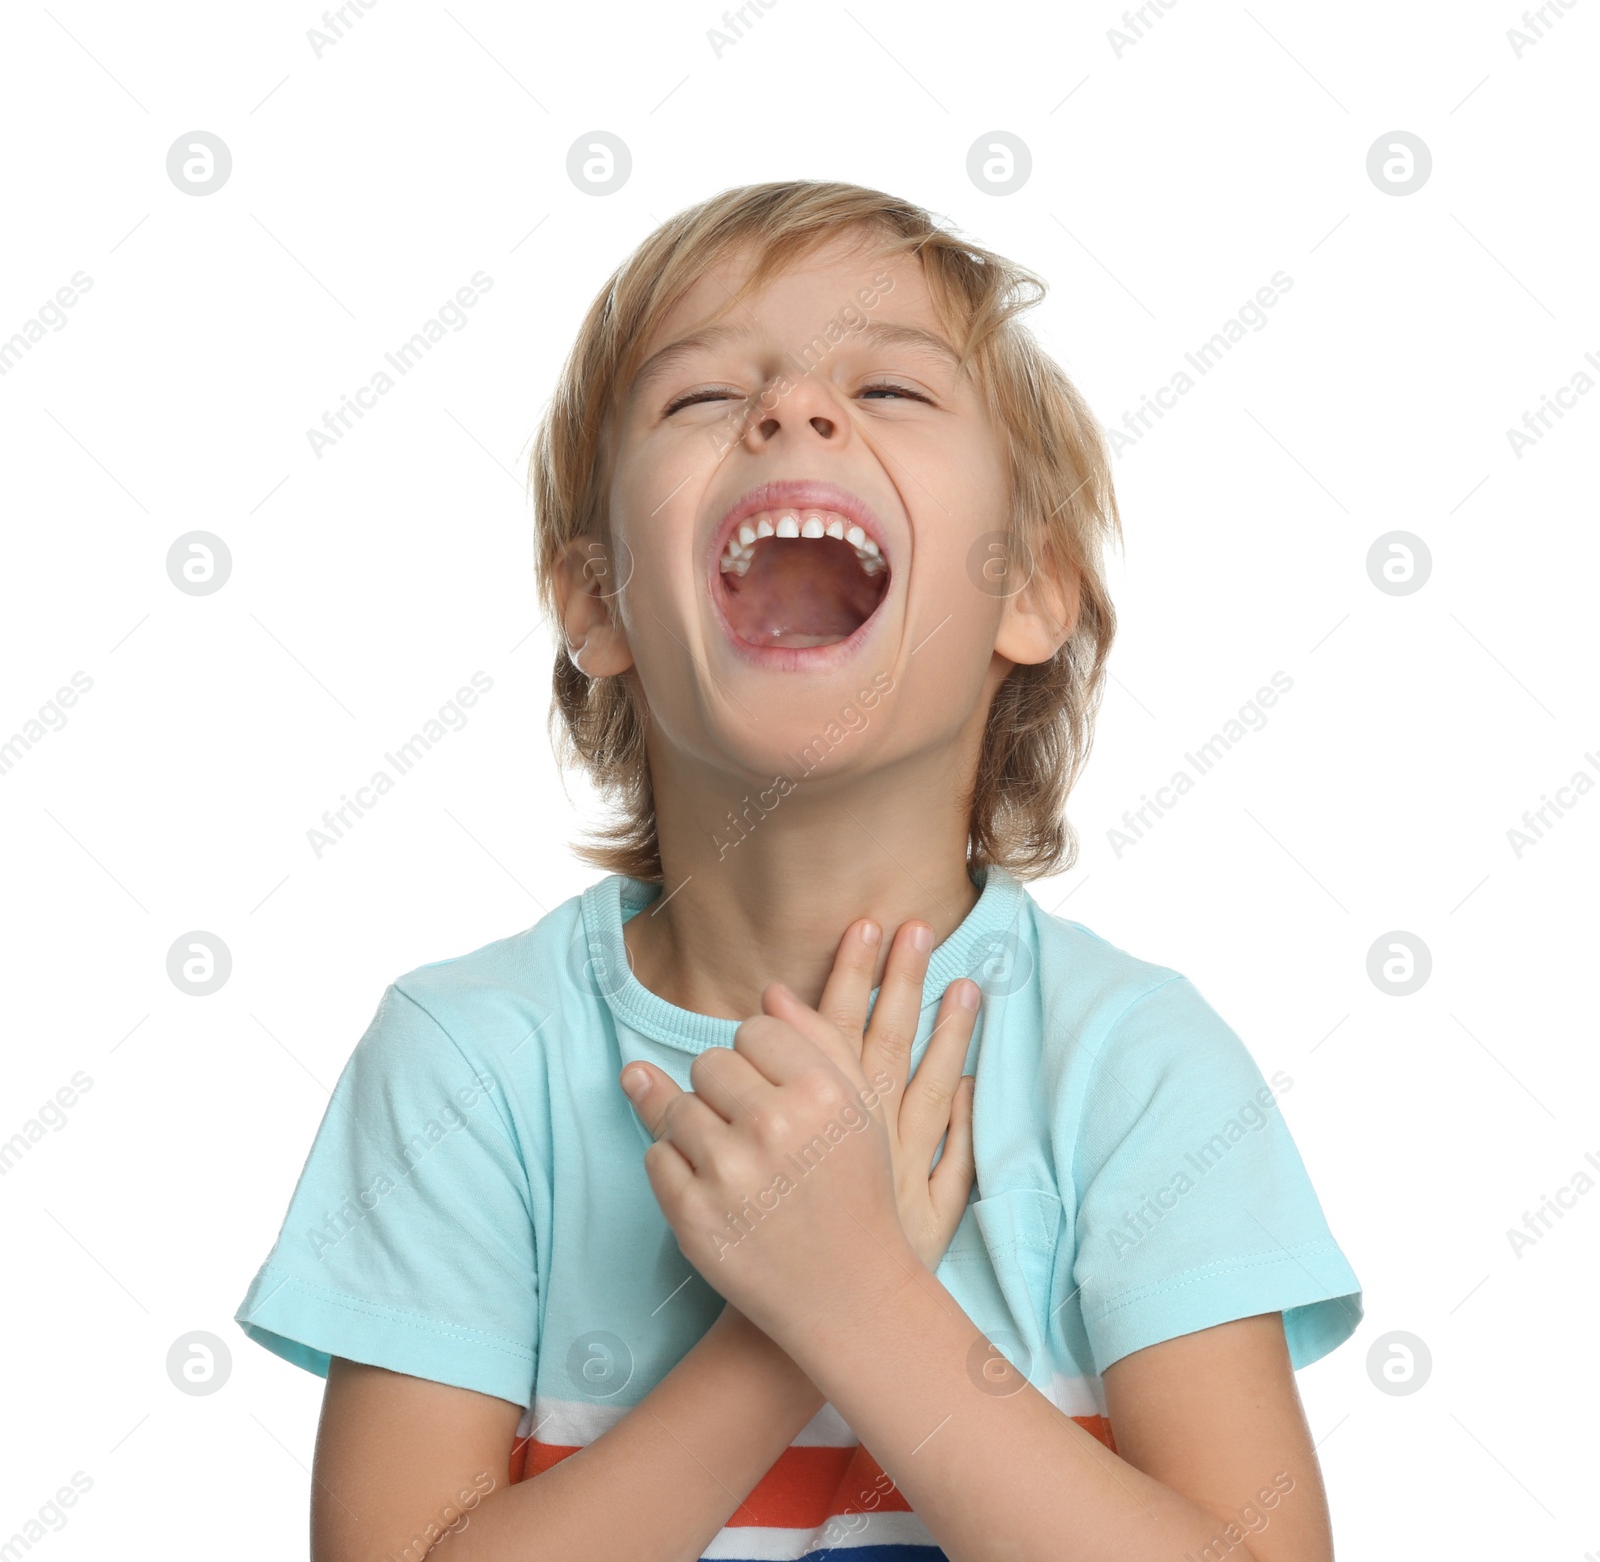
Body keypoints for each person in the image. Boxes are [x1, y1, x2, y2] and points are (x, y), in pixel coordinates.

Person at [236, 179, 1362, 1562]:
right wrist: (776, 1334)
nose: (792, 411)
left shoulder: (1136, 1067)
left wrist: (863, 1298)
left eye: (889, 388)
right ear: (601, 602)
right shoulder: (468, 1064)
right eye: (705, 398)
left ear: (1028, 590)